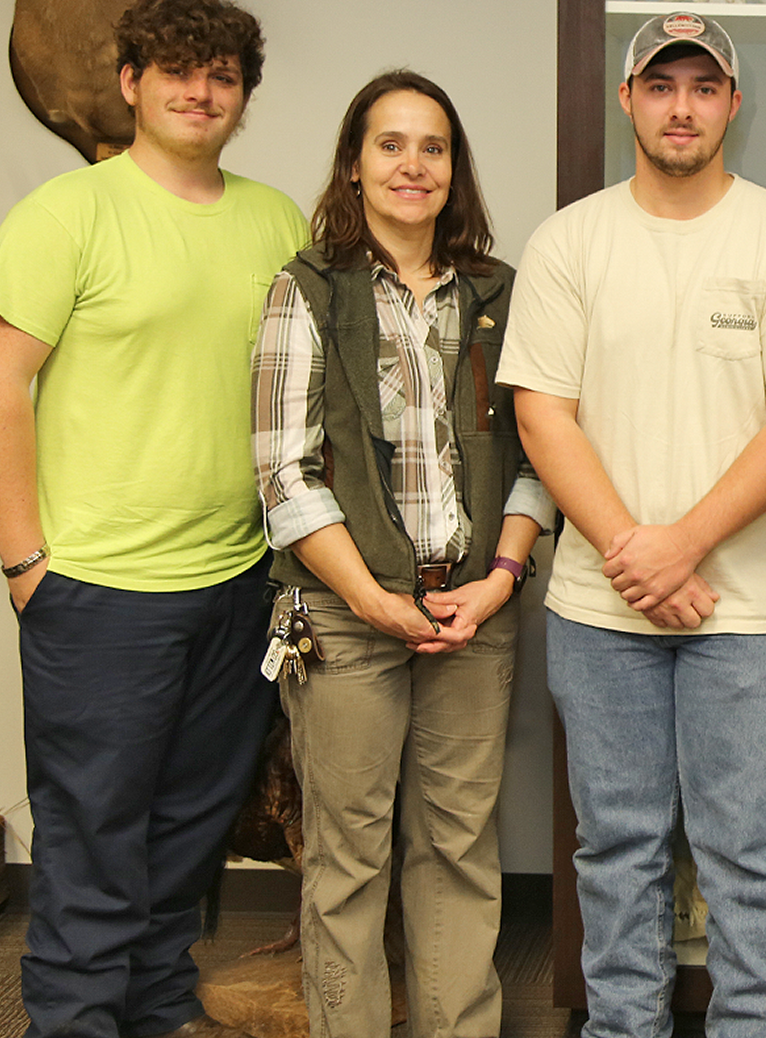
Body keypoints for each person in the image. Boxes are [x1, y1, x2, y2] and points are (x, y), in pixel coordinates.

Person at [0, 0, 307, 1038]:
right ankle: (70, 1022)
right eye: (178, 72)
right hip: (99, 593)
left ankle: (159, 1011)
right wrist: (28, 565)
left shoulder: (274, 218)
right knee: (93, 833)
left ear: (243, 97)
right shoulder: (66, 214)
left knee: (191, 829)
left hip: (236, 584)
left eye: (223, 76)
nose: (201, 92)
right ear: (131, 84)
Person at [498, 11, 766, 1038]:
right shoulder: (570, 241)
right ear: (628, 101)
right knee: (617, 847)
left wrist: (679, 544)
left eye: (703, 87)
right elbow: (541, 413)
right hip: (599, 613)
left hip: (750, 612)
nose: (682, 106)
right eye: (661, 86)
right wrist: (632, 553)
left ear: (735, 104)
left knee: (747, 850)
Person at [250, 70, 548, 1038]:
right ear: (353, 162)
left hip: (475, 614)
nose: (413, 164)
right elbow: (284, 476)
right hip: (343, 614)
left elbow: (539, 463)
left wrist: (497, 584)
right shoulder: (306, 290)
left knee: (460, 850)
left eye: (434, 147)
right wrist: (374, 600)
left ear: (454, 169)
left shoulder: (503, 295)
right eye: (391, 144)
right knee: (350, 858)